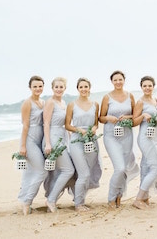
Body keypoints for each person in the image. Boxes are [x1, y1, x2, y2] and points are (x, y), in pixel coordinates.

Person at [99, 70, 140, 208]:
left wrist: (127, 117)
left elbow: (135, 116)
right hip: (111, 136)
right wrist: (108, 118)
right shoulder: (107, 97)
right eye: (115, 80)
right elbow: (100, 118)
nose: (118, 82)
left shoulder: (130, 96)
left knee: (125, 167)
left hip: (127, 136)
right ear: (112, 81)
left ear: (124, 80)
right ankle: (111, 197)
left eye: (120, 79)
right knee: (119, 167)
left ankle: (119, 195)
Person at [65, 77, 102, 212]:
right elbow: (67, 125)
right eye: (81, 87)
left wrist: (94, 128)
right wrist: (79, 129)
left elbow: (96, 123)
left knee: (89, 171)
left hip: (91, 140)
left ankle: (79, 198)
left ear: (89, 88)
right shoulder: (72, 105)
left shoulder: (95, 104)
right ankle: (78, 204)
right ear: (78, 89)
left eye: (86, 87)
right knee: (84, 173)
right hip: (76, 140)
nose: (84, 89)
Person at [42, 77, 75, 213]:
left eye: (61, 87)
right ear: (52, 88)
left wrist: (70, 138)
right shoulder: (50, 102)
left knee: (61, 171)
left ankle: (52, 199)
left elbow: (66, 124)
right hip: (53, 138)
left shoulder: (63, 102)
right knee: (68, 170)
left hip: (62, 138)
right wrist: (48, 143)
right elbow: (46, 123)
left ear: (65, 89)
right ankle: (50, 199)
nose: (59, 89)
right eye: (56, 87)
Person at [132, 76, 157, 210]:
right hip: (145, 136)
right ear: (141, 87)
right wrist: (143, 116)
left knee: (146, 165)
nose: (147, 88)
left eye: (149, 85)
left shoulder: (156, 100)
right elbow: (134, 122)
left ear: (153, 86)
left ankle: (145, 197)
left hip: (156, 136)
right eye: (144, 86)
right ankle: (138, 198)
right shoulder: (140, 102)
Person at [17, 75, 48, 215]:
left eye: (40, 86)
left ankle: (26, 200)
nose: (38, 88)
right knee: (42, 171)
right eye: (35, 86)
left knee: (33, 171)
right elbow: (25, 125)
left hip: (40, 139)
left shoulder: (43, 102)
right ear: (30, 88)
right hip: (29, 140)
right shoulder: (27, 103)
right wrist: (22, 146)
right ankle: (27, 202)